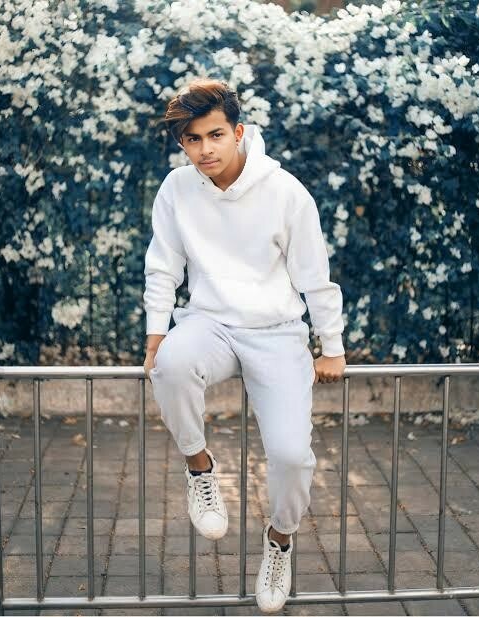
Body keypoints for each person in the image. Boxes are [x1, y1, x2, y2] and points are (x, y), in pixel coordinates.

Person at [143, 77, 346, 613]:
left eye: (214, 135)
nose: (205, 150)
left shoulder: (285, 192)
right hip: (209, 323)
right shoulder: (177, 189)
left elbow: (315, 276)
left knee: (291, 456)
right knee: (170, 365)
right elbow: (163, 266)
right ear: (182, 144)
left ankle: (279, 541)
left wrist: (331, 346)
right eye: (192, 140)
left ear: (237, 132)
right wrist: (156, 338)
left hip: (276, 332)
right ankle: (200, 468)